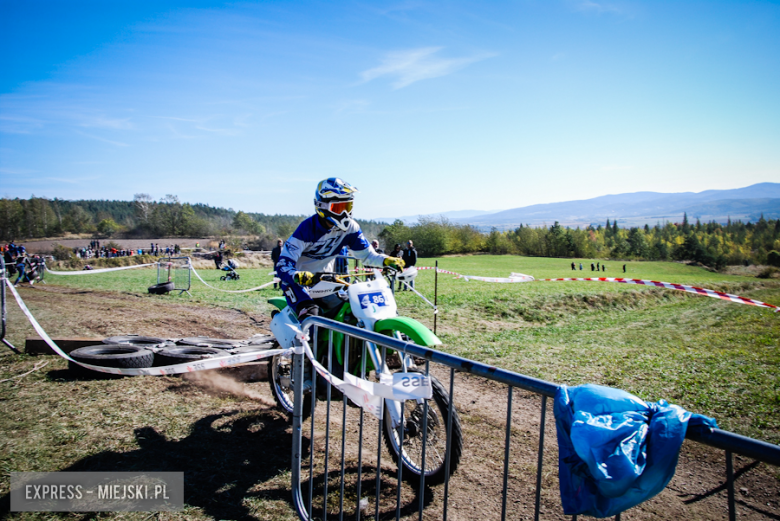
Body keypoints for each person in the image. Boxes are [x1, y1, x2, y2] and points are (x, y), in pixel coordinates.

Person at [276, 178, 405, 321]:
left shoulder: (351, 228)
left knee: (352, 311)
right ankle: (303, 343)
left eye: (348, 207)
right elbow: (282, 265)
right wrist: (297, 276)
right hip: (298, 284)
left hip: (325, 281)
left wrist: (386, 260)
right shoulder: (306, 229)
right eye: (338, 208)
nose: (345, 213)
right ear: (322, 206)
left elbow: (367, 256)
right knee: (312, 318)